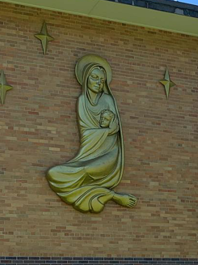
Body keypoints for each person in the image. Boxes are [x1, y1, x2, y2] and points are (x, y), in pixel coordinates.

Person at [46, 54, 137, 213]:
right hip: (88, 153)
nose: (98, 82)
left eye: (102, 80)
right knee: (54, 173)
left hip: (109, 153)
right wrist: (106, 130)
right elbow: (86, 133)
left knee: (85, 171)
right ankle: (111, 196)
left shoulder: (108, 99)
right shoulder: (82, 100)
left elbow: (115, 127)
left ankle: (106, 194)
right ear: (86, 78)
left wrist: (106, 130)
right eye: (94, 77)